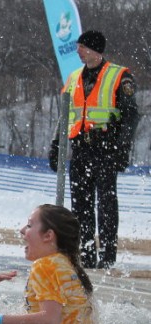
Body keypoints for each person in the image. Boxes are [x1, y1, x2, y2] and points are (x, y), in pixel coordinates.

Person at [48, 30, 138, 269]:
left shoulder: (119, 76)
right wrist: (56, 144)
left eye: (82, 47)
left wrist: (122, 147)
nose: (77, 51)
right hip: (80, 148)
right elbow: (65, 115)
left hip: (106, 147)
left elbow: (130, 116)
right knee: (80, 203)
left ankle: (107, 255)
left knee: (106, 203)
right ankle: (86, 253)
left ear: (94, 49)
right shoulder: (74, 77)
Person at [0, 205, 99, 324]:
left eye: (30, 225)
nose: (22, 230)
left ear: (48, 236)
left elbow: (50, 321)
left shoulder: (45, 265)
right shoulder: (66, 264)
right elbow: (54, 317)